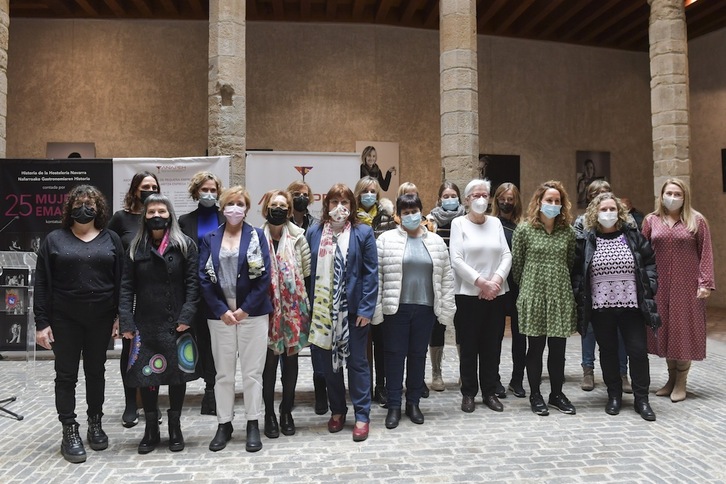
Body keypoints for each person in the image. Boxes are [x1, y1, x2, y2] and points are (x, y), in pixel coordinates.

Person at [34, 185, 123, 463]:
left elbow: (122, 281)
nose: (84, 208)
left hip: (101, 318)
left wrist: (121, 316)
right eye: (79, 203)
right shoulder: (54, 240)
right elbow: (42, 283)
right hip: (64, 319)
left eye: (90, 204)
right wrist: (41, 323)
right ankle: (69, 429)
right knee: (66, 375)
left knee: (96, 372)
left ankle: (95, 422)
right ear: (69, 208)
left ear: (99, 210)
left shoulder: (112, 239)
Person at [119, 194, 200, 453]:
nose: (157, 215)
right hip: (146, 325)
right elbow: (126, 287)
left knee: (177, 376)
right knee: (148, 376)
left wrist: (187, 315)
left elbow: (193, 285)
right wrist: (126, 320)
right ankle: (151, 428)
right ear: (144, 216)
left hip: (177, 323)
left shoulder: (185, 245)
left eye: (162, 211)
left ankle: (175, 427)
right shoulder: (135, 247)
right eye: (152, 211)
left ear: (170, 215)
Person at [572, 193, 660, 421]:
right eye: (604, 209)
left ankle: (642, 399)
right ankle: (614, 395)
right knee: (608, 352)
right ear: (595, 213)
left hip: (632, 306)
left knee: (638, 352)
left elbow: (649, 262)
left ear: (620, 212)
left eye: (612, 209)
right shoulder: (588, 240)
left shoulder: (632, 236)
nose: (608, 213)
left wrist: (649, 286)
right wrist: (579, 295)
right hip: (601, 308)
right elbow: (578, 272)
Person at [199, 186, 273, 453]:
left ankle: (253, 423)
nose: (234, 208)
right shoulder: (210, 238)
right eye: (230, 203)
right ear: (223, 207)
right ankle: (224, 424)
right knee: (223, 374)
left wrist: (245, 310)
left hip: (252, 314)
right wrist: (221, 310)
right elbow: (203, 278)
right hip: (220, 317)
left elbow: (265, 276)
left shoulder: (257, 236)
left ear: (247, 208)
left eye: (240, 203)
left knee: (252, 374)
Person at [375, 194, 456, 428]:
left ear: (421, 212)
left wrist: (447, 309)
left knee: (418, 356)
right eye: (405, 211)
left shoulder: (436, 242)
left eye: (414, 211)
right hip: (396, 307)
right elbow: (378, 276)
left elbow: (446, 277)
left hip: (425, 308)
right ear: (398, 215)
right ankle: (393, 405)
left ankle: (413, 403)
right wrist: (377, 307)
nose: (411, 215)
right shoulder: (386, 240)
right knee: (393, 356)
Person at [307, 183, 378, 442]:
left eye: (344, 202)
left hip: (354, 311)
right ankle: (337, 410)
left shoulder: (363, 232)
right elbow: (308, 272)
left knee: (357, 363)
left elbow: (371, 273)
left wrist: (367, 308)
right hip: (323, 312)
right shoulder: (314, 231)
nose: (339, 207)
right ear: (326, 205)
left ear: (352, 206)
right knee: (329, 366)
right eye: (334, 202)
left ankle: (362, 415)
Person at [642, 178, 714, 403]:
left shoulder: (697, 221)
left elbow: (706, 253)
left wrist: (705, 283)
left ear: (685, 197)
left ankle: (681, 382)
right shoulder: (651, 220)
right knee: (665, 333)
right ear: (661, 195)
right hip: (659, 287)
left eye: (677, 194)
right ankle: (671, 380)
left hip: (687, 287)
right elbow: (642, 253)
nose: (672, 198)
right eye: (669, 193)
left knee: (682, 332)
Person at [512, 180, 577, 416]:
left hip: (559, 294)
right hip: (533, 294)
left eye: (557, 201)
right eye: (549, 200)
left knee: (558, 349)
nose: (553, 204)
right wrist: (532, 285)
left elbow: (570, 263)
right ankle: (535, 394)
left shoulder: (567, 232)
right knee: (535, 348)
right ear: (539, 202)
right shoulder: (524, 229)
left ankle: (557, 394)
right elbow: (517, 266)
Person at [450, 179, 512, 413]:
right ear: (466, 199)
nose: (481, 199)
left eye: (485, 195)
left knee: (491, 345)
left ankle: (489, 391)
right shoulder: (459, 224)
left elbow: (506, 255)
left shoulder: (495, 223)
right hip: (468, 294)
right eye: (476, 195)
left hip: (495, 293)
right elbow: (456, 259)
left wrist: (495, 281)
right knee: (468, 346)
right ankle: (468, 393)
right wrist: (481, 282)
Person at [107, 171, 160, 428]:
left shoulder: (162, 217)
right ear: (134, 190)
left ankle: (152, 402)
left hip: (156, 295)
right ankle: (131, 403)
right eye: (144, 186)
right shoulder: (121, 219)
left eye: (153, 186)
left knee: (154, 350)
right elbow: (110, 253)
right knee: (130, 350)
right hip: (130, 292)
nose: (149, 190)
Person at [259, 189, 311, 439]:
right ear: (266, 208)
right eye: (273, 204)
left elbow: (307, 274)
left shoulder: (299, 237)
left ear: (289, 210)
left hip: (293, 312)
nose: (278, 208)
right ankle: (268, 412)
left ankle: (286, 411)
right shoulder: (256, 237)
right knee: (268, 365)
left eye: (282, 205)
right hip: (266, 312)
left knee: (290, 363)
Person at [573, 180, 632, 394]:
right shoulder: (581, 222)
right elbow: (579, 254)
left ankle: (622, 373)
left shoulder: (626, 218)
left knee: (620, 332)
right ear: (589, 198)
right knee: (589, 330)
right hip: (592, 286)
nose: (602, 194)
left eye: (606, 191)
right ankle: (588, 370)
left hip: (620, 287)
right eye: (596, 192)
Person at [179, 171, 225, 416]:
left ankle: (215, 388)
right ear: (196, 192)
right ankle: (207, 387)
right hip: (194, 288)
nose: (209, 194)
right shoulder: (185, 221)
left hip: (220, 290)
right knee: (201, 340)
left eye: (213, 190)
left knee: (219, 343)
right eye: (204, 190)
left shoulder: (225, 216)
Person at [354, 176, 395, 406]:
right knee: (361, 343)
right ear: (358, 194)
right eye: (365, 191)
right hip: (358, 287)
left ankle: (381, 385)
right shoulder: (352, 220)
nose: (370, 194)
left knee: (381, 341)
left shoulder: (387, 219)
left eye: (373, 191)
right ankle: (363, 387)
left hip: (383, 285)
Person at [286, 179, 325, 414]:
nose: (301, 197)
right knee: (290, 349)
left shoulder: (316, 225)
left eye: (305, 194)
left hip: (313, 290)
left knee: (318, 347)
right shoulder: (281, 221)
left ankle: (321, 393)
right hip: (290, 295)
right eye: (296, 194)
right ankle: (288, 396)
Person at [425, 181, 466, 392]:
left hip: (462, 279)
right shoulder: (430, 220)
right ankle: (436, 373)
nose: (449, 199)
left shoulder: (467, 220)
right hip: (438, 279)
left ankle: (464, 372)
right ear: (439, 198)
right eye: (446, 196)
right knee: (437, 326)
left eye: (453, 195)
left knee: (462, 325)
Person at [490, 182, 527, 398]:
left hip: (519, 286)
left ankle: (517, 379)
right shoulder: (491, 224)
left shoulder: (523, 226)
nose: (507, 202)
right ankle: (494, 379)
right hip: (497, 285)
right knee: (495, 336)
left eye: (511, 198)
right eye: (503, 198)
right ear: (496, 200)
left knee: (520, 336)